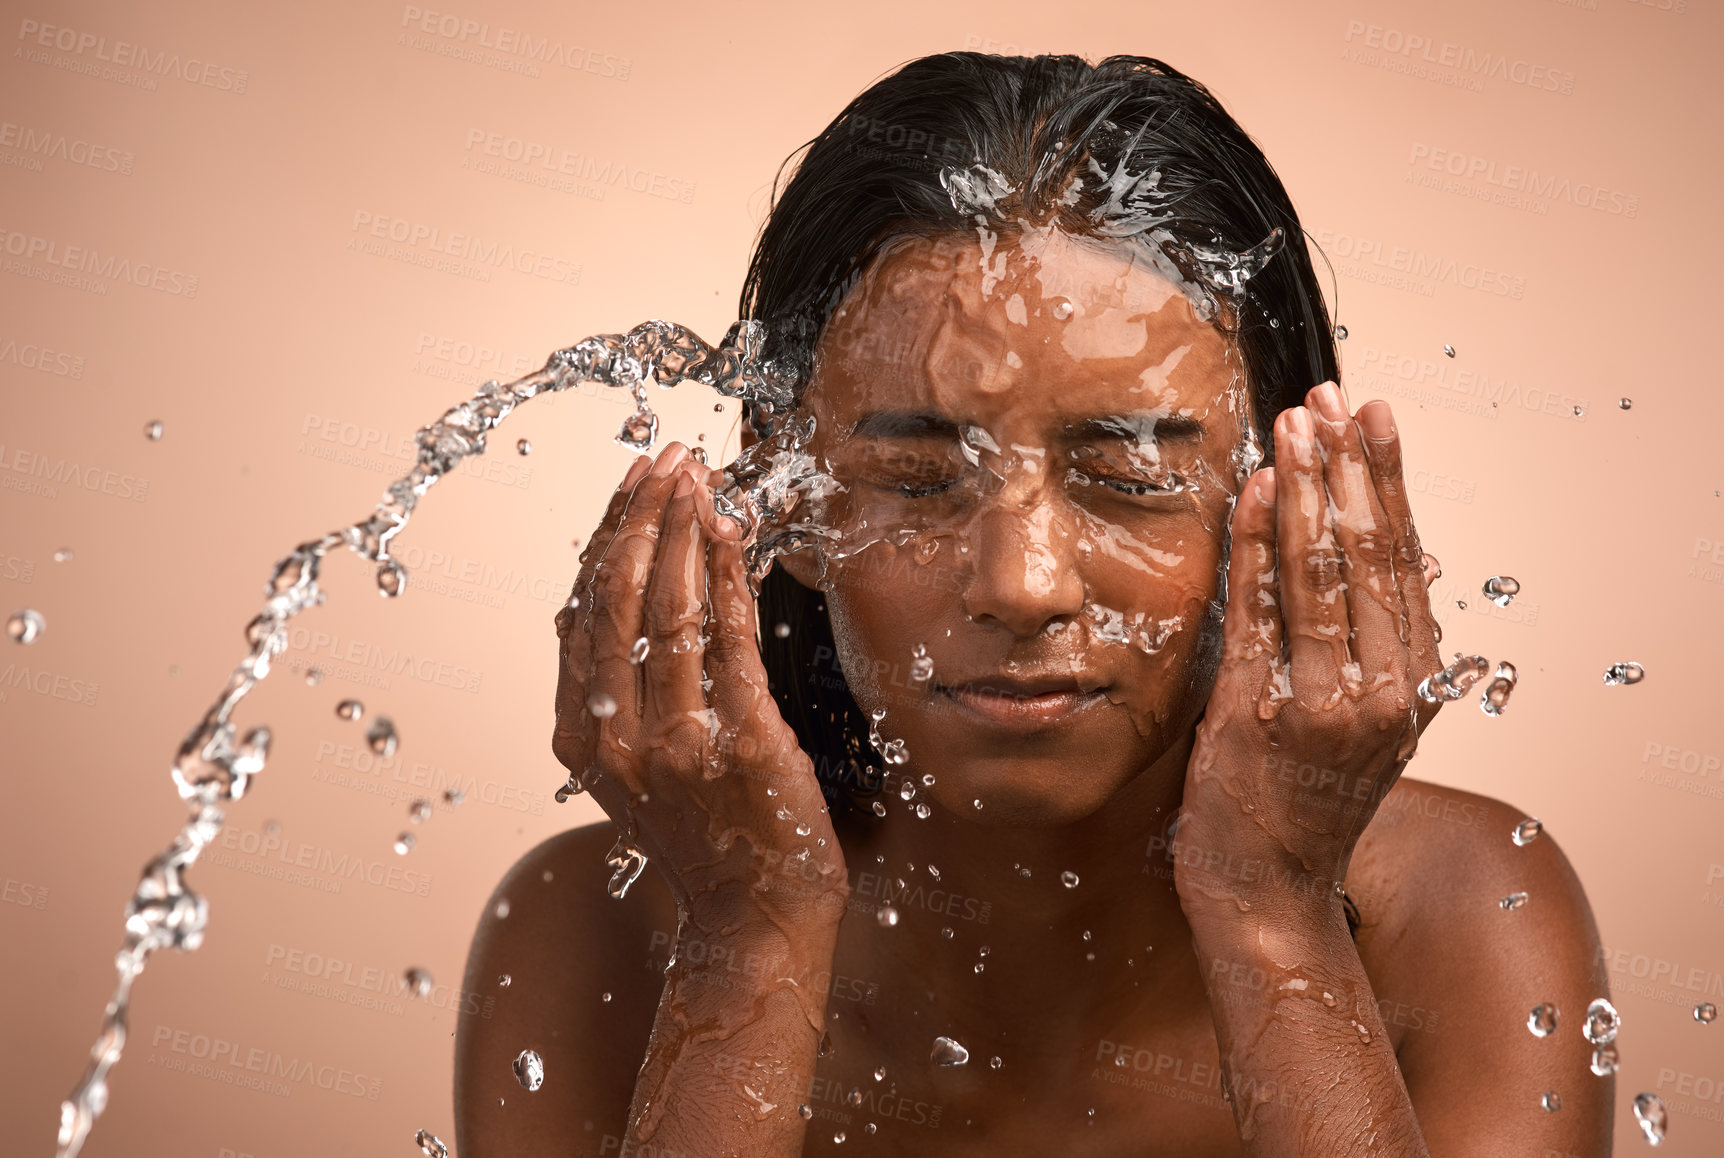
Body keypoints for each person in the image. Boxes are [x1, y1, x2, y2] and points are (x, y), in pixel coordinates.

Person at [454, 53, 1610, 1157]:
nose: (1021, 584)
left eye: (1128, 482)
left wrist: (1273, 909)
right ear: (784, 502)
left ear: (1290, 499)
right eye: (916, 482)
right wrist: (746, 931)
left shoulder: (1460, 916)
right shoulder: (593, 931)